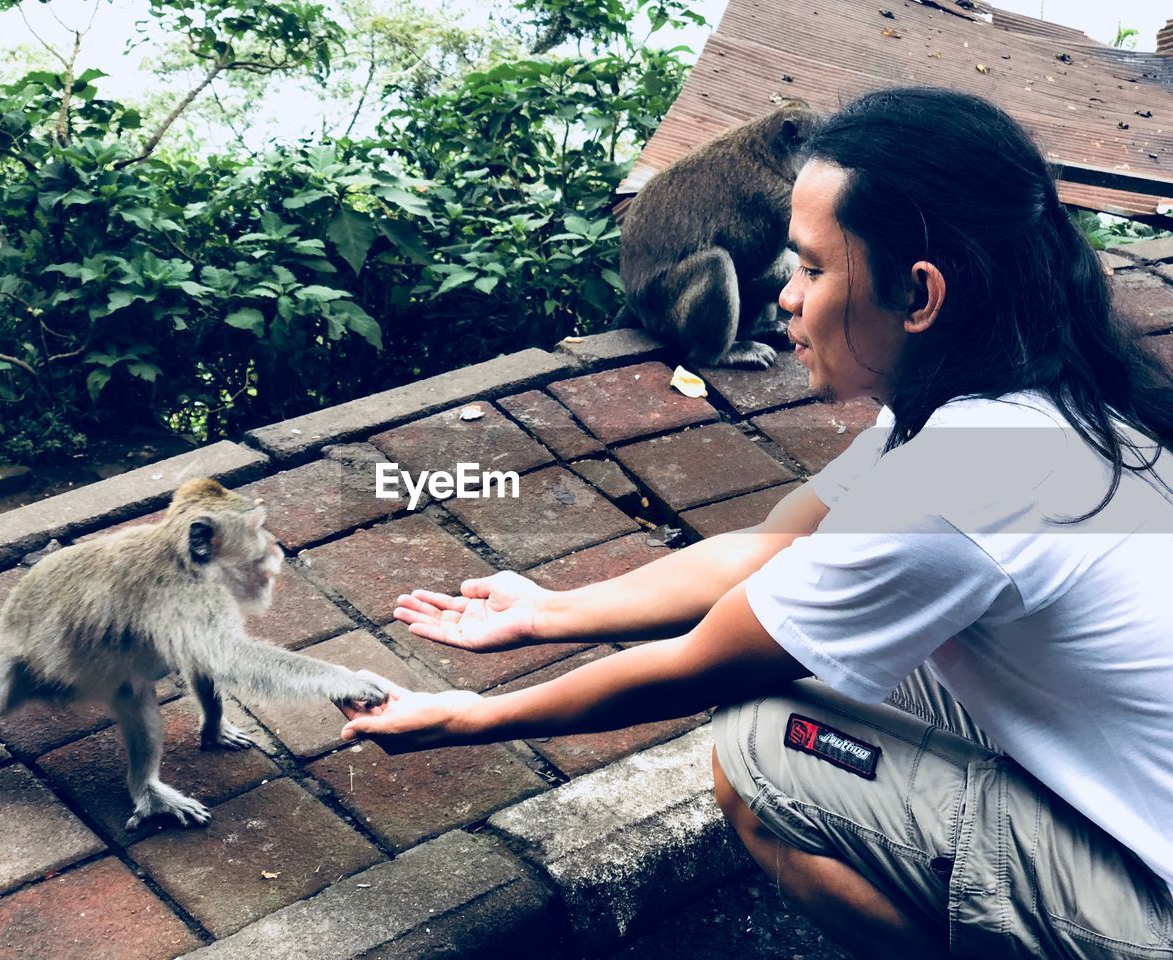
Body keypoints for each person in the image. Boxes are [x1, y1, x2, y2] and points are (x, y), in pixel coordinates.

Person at [340, 87, 1173, 959]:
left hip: (1152, 905)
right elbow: (776, 549)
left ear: (920, 295)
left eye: (812, 269)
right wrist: (550, 610)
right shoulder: (1022, 380)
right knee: (846, 657)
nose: (783, 296)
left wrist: (476, 717)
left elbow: (701, 663)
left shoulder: (961, 477)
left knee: (765, 742)